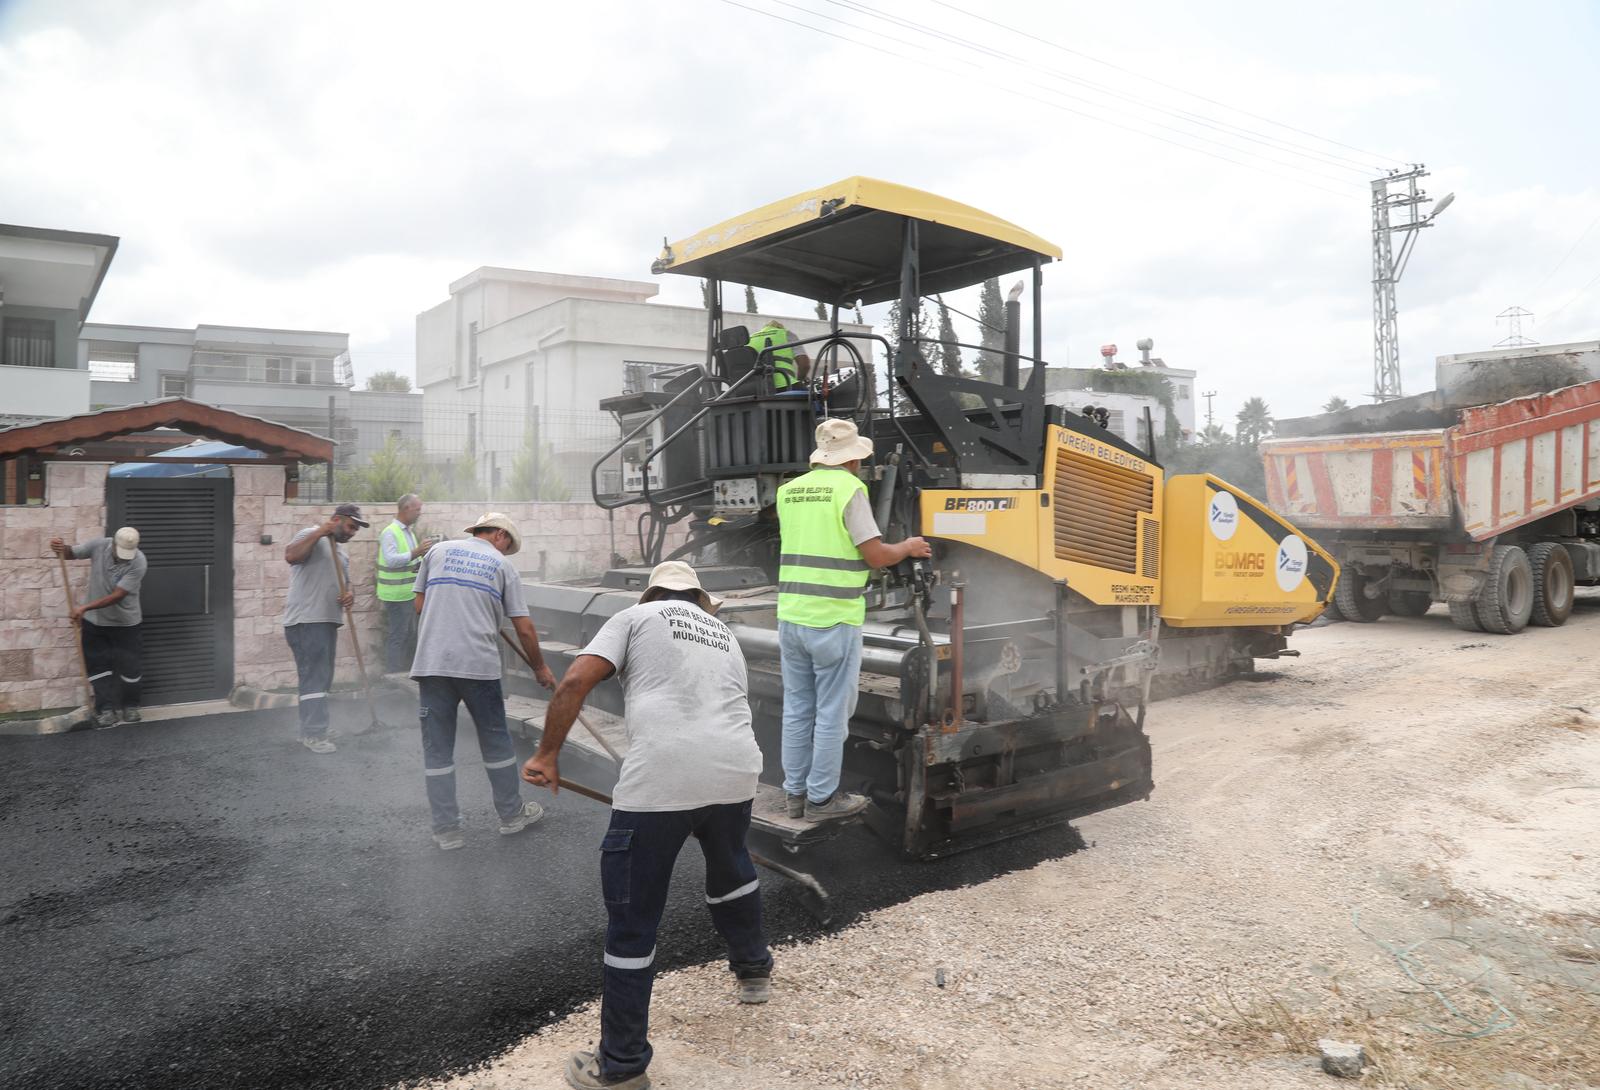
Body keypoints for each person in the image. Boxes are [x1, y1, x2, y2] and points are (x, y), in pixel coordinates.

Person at [522, 561, 771, 1090]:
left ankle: (621, 1066)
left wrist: (547, 753)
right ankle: (754, 971)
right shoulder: (723, 632)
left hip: (663, 777)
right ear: (700, 599)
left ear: (653, 592)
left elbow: (574, 679)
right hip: (737, 768)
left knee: (633, 919)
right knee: (732, 869)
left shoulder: (635, 616)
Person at [776, 418, 931, 821]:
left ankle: (794, 795)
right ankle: (821, 801)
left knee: (797, 709)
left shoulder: (788, 491)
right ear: (852, 461)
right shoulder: (850, 490)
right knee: (830, 713)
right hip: (833, 618)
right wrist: (909, 547)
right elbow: (876, 556)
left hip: (791, 616)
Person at [412, 512, 556, 851]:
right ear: (501, 536)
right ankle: (511, 816)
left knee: (438, 750)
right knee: (495, 742)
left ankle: (446, 830)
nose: (506, 551)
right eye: (508, 546)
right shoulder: (502, 566)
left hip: (433, 664)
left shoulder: (437, 552)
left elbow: (420, 605)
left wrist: (457, 608)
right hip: (477, 665)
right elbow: (524, 628)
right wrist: (539, 668)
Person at [283, 503, 367, 754]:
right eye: (351, 526)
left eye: (356, 529)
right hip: (306, 620)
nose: (353, 532)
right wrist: (320, 532)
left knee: (322, 677)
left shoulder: (341, 553)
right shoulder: (310, 534)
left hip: (326, 620)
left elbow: (348, 583)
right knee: (314, 676)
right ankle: (313, 733)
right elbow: (291, 555)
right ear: (336, 520)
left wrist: (350, 594)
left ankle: (313, 726)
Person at [50, 528, 148, 729]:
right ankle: (105, 709)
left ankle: (130, 706)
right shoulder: (99, 546)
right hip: (95, 623)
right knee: (98, 667)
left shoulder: (139, 561)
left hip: (126, 624)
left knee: (131, 668)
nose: (123, 558)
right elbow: (70, 554)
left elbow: (117, 596)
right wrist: (59, 548)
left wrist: (84, 607)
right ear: (113, 544)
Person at [377, 493, 435, 674]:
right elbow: (391, 560)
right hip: (396, 595)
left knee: (409, 637)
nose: (419, 513)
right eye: (417, 509)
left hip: (408, 595)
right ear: (406, 509)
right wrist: (416, 552)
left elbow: (411, 562)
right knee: (398, 637)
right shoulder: (390, 532)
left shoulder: (408, 532)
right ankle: (393, 678)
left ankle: (405, 674)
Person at [746, 319, 810, 392]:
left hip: (759, 389)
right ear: (781, 328)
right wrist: (800, 380)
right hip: (786, 384)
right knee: (814, 398)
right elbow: (804, 364)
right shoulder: (786, 334)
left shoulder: (750, 338)